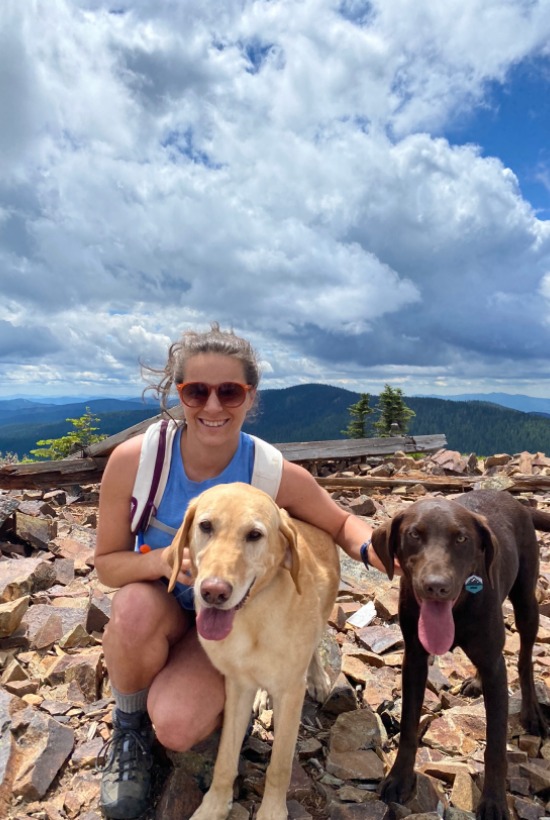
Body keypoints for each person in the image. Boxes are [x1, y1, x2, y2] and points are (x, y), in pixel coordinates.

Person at [94, 323, 387, 820]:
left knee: (180, 726)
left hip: (236, 616)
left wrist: (382, 551)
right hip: (168, 603)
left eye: (229, 391)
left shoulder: (271, 471)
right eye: (196, 391)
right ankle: (128, 729)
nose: (213, 406)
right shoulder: (137, 461)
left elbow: (338, 522)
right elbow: (106, 565)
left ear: (249, 397)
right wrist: (163, 561)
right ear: (178, 393)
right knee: (132, 607)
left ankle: (227, 701)